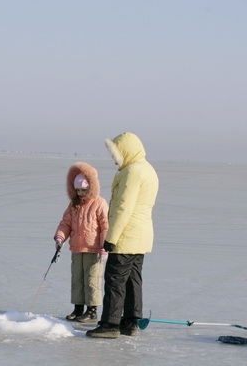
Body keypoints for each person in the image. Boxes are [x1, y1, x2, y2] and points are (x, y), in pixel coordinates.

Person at [87, 132, 159, 339]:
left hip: (127, 236)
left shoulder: (133, 171)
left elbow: (123, 207)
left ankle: (110, 323)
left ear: (126, 150)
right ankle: (131, 321)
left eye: (115, 153)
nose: (113, 157)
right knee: (133, 280)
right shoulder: (148, 169)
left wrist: (111, 237)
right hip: (142, 236)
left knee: (115, 280)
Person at [54, 162, 109, 323]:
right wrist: (60, 237)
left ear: (91, 187)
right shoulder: (74, 204)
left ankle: (91, 311)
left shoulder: (100, 203)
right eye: (77, 190)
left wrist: (104, 247)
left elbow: (105, 226)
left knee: (92, 279)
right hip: (77, 248)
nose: (81, 193)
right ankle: (78, 308)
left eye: (84, 190)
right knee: (77, 279)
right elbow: (66, 223)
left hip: (94, 250)